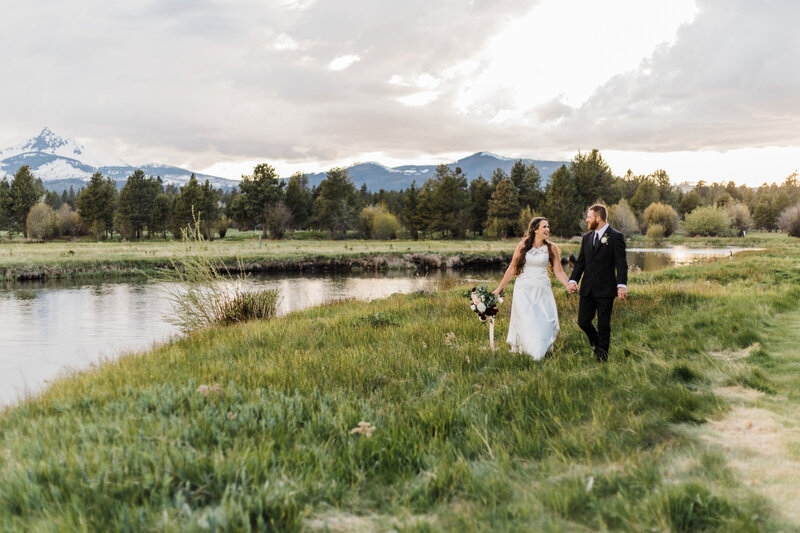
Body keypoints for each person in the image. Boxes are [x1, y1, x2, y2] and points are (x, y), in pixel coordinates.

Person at [492, 217, 571, 360]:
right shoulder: (522, 246)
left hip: (542, 290)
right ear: (535, 229)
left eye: (548, 226)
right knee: (528, 320)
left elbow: (559, 271)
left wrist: (568, 284)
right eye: (544, 226)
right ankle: (532, 353)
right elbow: (512, 269)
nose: (547, 229)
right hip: (524, 289)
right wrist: (498, 289)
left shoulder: (551, 248)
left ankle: (541, 348)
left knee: (546, 320)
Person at [567, 204, 628, 362]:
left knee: (603, 324)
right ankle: (597, 343)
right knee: (583, 321)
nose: (587, 219)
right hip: (587, 288)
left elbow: (621, 264)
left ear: (598, 218)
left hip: (606, 288)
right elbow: (580, 262)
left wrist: (621, 285)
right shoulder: (587, 237)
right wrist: (573, 280)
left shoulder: (615, 236)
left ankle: (602, 356)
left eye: (589, 216)